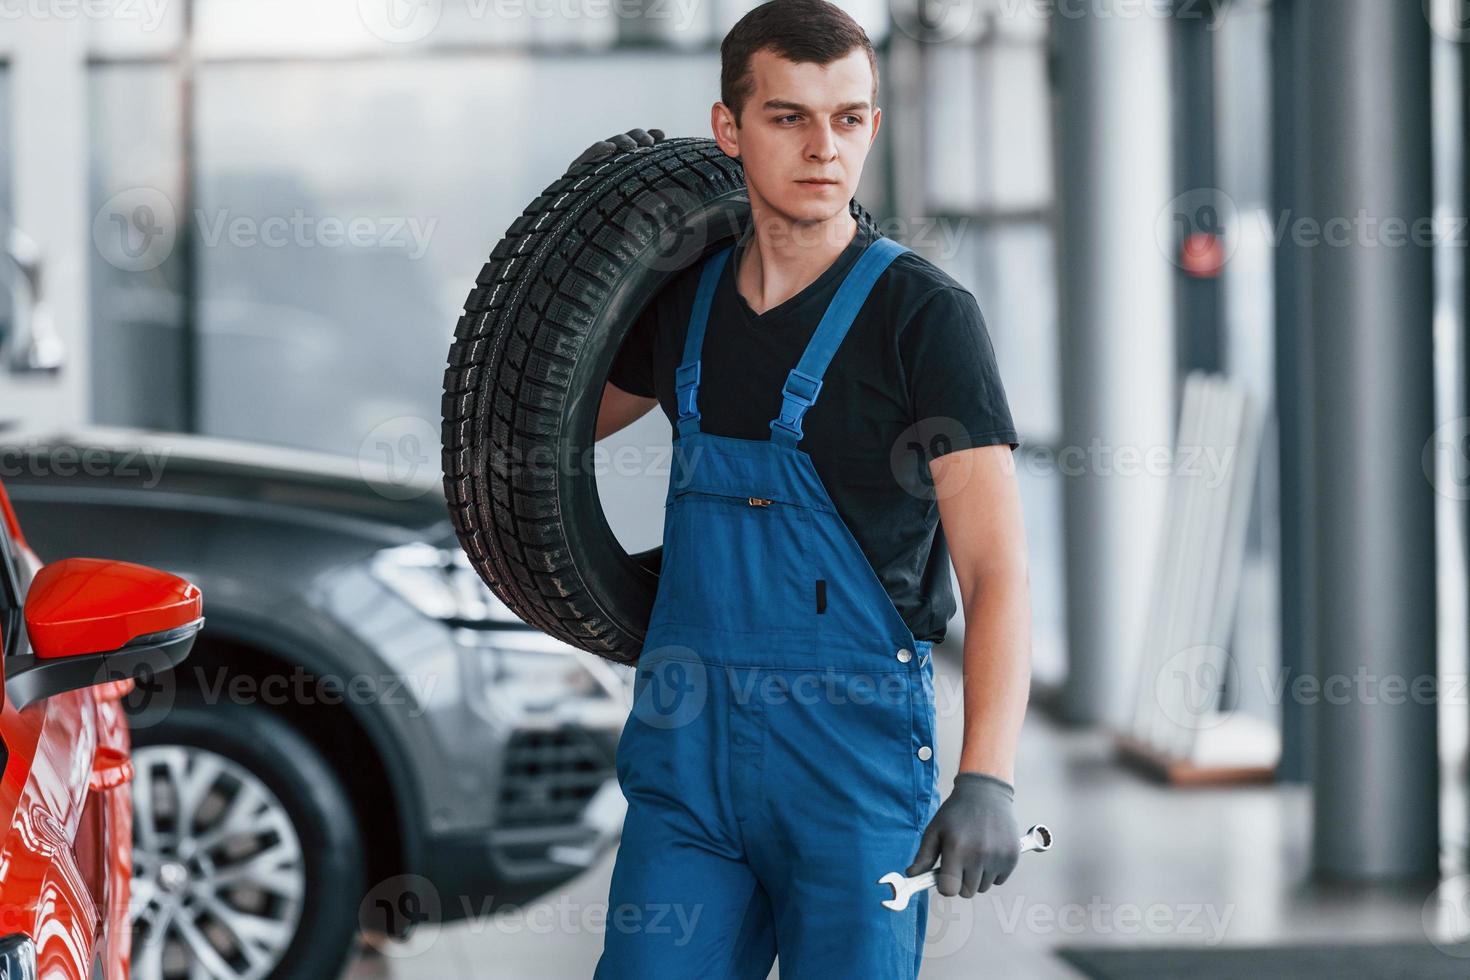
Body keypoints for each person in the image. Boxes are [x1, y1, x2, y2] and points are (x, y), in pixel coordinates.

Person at [590, 1, 1032, 975]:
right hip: (686, 759)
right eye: (789, 115)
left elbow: (996, 568)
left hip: (851, 765)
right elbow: (545, 425)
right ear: (729, 128)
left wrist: (988, 774)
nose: (824, 146)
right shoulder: (682, 303)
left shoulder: (925, 317)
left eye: (850, 117)